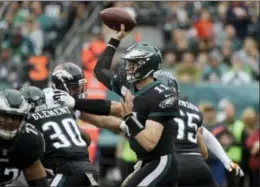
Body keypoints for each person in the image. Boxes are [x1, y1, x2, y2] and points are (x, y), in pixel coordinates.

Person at [95, 24, 180, 186]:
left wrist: (128, 118)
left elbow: (149, 142)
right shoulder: (130, 86)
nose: (127, 68)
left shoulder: (162, 95)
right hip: (145, 161)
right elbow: (99, 71)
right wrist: (114, 40)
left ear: (146, 66)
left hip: (162, 161)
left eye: (133, 63)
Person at [153, 69, 245, 186]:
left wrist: (126, 122)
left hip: (171, 163)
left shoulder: (156, 109)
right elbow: (207, 136)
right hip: (198, 164)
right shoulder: (192, 109)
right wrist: (227, 161)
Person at [20, 86, 98, 186]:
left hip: (67, 172)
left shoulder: (29, 119)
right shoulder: (65, 111)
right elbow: (86, 139)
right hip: (90, 168)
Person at [0, 89, 49, 187]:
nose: (9, 121)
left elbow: (39, 182)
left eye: (15, 117)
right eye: (4, 116)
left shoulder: (29, 140)